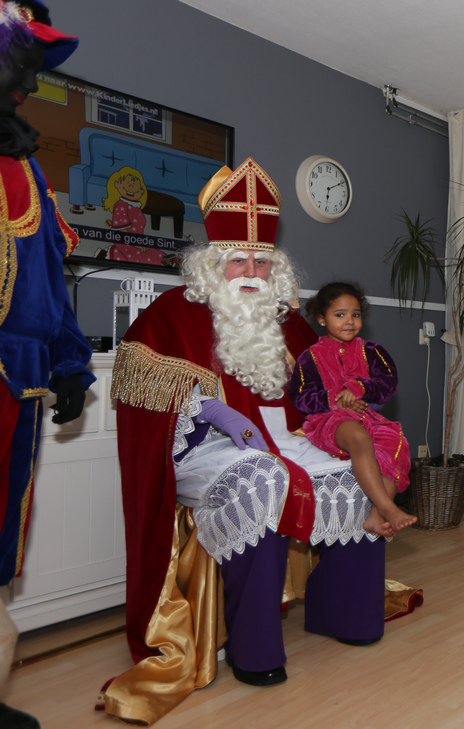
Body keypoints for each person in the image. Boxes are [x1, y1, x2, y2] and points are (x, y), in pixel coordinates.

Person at [104, 158, 386, 725]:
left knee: (358, 466)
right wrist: (212, 409)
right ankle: (253, 649)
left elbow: (320, 385)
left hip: (285, 438)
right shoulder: (171, 314)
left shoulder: (288, 320)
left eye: (261, 260)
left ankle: (343, 611)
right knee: (263, 479)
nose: (251, 271)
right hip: (206, 449)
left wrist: (347, 402)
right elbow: (141, 393)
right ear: (213, 263)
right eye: (238, 259)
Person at [0, 4, 86, 728]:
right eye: (18, 65)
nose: (26, 85)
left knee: (1, 542)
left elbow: (50, 283)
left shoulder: (27, 166)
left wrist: (70, 365)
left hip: (17, 386)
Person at [290, 281, 415, 536]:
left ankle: (375, 516)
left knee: (396, 443)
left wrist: (359, 388)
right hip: (331, 420)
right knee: (358, 436)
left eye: (355, 315)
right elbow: (301, 397)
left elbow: (387, 384)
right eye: (340, 315)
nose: (349, 321)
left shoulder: (371, 351)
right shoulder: (310, 357)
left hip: (368, 416)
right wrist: (334, 398)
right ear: (321, 319)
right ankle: (388, 508)